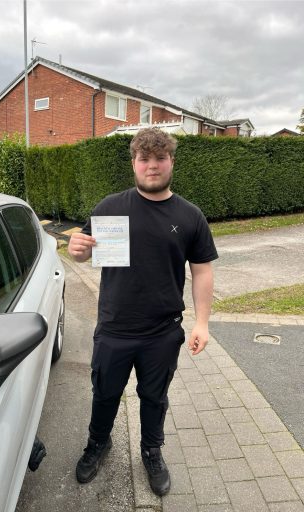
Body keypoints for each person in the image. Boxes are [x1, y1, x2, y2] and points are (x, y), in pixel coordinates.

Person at [68, 127, 218, 496]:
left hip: (162, 333)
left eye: (160, 158)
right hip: (115, 328)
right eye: (144, 159)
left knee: (154, 398)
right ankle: (97, 444)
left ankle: (151, 451)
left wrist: (202, 322)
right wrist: (78, 248)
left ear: (171, 161)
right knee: (104, 394)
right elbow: (85, 249)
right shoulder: (110, 208)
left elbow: (202, 271)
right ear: (134, 163)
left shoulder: (190, 215)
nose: (152, 166)